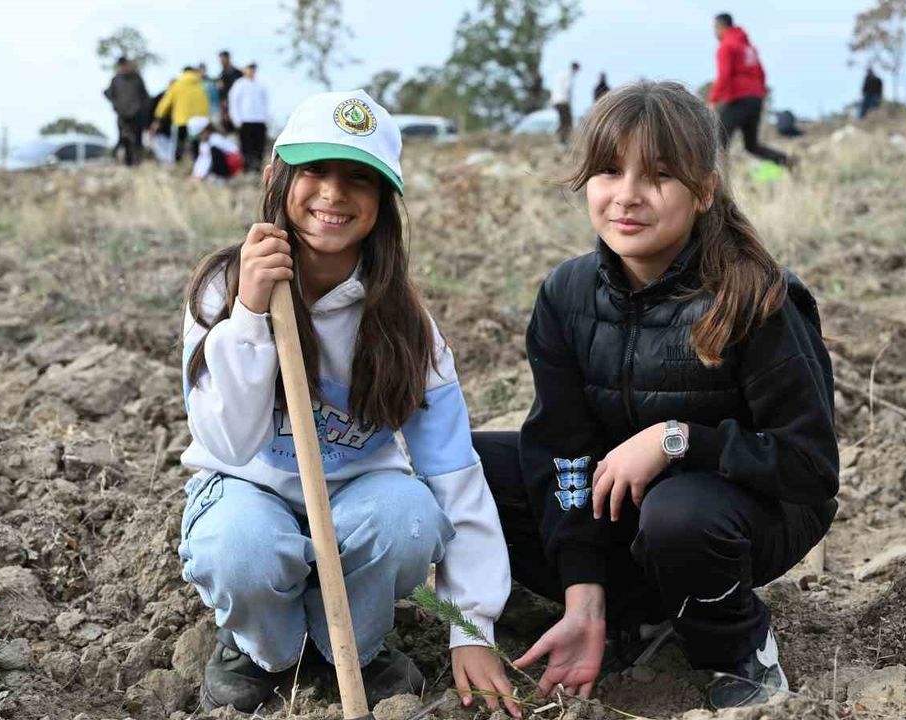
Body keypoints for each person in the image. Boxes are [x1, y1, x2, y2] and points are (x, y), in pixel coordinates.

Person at [474, 81, 837, 710]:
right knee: (476, 470)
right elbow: (564, 452)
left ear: (704, 191)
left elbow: (810, 467)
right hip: (627, 505)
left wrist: (677, 441)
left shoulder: (755, 297)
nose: (627, 196)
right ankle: (621, 617)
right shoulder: (567, 295)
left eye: (659, 175)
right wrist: (583, 594)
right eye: (610, 170)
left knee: (678, 513)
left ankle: (740, 651)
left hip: (746, 512)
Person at [178, 89, 514, 715]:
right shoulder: (221, 292)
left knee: (407, 516)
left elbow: (454, 473)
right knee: (242, 546)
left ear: (384, 203)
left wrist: (471, 627)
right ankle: (262, 649)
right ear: (277, 176)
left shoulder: (407, 325)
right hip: (247, 490)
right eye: (316, 171)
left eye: (358, 179)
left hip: (356, 506)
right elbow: (227, 442)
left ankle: (354, 645)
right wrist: (252, 316)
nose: (333, 194)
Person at [709, 13, 790, 167]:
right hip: (755, 100)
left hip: (739, 99)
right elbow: (761, 74)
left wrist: (713, 99)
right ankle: (786, 161)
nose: (714, 33)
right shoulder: (748, 47)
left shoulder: (726, 46)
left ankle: (718, 185)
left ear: (721, 27)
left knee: (718, 144)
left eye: (715, 28)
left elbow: (724, 76)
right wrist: (760, 96)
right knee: (751, 145)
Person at [151, 67, 210, 162]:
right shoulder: (199, 85)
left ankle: (178, 163)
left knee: (180, 144)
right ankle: (196, 163)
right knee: (196, 145)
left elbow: (165, 102)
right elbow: (206, 103)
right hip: (197, 122)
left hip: (181, 120)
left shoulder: (177, 85)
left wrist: (158, 117)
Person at [104, 57, 150, 166]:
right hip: (122, 115)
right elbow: (107, 93)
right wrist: (116, 106)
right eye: (121, 66)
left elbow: (145, 96)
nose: (123, 68)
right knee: (124, 139)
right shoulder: (116, 80)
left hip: (137, 115)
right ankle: (128, 163)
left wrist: (142, 108)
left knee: (137, 139)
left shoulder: (137, 79)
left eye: (125, 65)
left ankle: (138, 162)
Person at [227, 63, 268, 172]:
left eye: (253, 69)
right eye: (249, 68)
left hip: (259, 120)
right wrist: (236, 120)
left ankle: (257, 169)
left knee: (259, 147)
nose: (252, 71)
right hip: (245, 121)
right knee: (246, 148)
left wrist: (264, 117)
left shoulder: (260, 85)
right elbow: (233, 103)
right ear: (244, 70)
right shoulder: (239, 84)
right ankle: (247, 170)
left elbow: (265, 103)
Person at [186, 116, 243, 181]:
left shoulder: (215, 140)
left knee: (214, 151)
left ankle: (221, 178)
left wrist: (199, 177)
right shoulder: (204, 143)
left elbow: (207, 161)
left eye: (199, 135)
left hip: (232, 165)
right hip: (225, 163)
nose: (198, 139)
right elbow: (201, 160)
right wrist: (195, 174)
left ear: (205, 131)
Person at [551, 61, 580, 145]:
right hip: (563, 101)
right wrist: (569, 103)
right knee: (566, 122)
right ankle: (562, 139)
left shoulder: (561, 74)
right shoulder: (569, 76)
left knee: (563, 121)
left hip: (557, 101)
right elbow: (567, 90)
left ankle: (562, 139)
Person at [218, 50, 244, 130]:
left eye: (223, 59)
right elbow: (221, 91)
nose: (221, 62)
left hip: (238, 104)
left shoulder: (238, 73)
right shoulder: (221, 74)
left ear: (228, 59)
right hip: (227, 106)